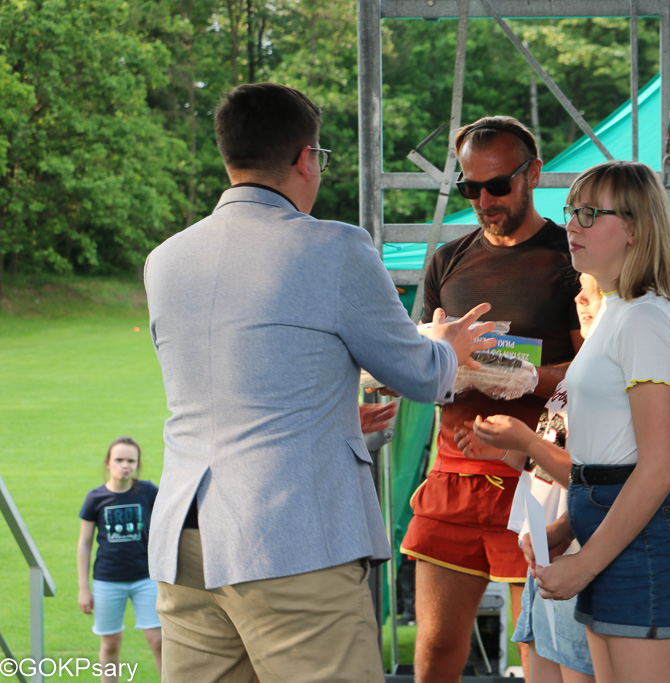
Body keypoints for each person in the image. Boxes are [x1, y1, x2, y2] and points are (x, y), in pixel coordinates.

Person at [143, 82, 494, 683]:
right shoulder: (335, 247)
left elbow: (233, 382)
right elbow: (419, 373)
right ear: (306, 158)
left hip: (185, 537)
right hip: (289, 538)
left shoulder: (166, 258)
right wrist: (448, 344)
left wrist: (329, 413)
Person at [399, 115, 582, 682]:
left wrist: (518, 376)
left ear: (534, 174)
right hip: (453, 475)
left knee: (540, 649)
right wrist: (449, 373)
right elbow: (422, 365)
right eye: (469, 187)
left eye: (497, 185)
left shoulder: (571, 256)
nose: (483, 201)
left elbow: (596, 375)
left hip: (535, 480)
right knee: (434, 648)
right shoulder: (448, 259)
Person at [528, 160, 670, 683]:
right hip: (612, 531)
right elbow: (610, 451)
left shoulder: (643, 318)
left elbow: (657, 467)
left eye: (588, 213)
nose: (571, 225)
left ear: (634, 229)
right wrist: (566, 528)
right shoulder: (619, 312)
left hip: (638, 542)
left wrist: (584, 563)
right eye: (570, 211)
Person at [456, 273, 605, 683]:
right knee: (540, 660)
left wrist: (526, 440)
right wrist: (504, 451)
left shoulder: (610, 380)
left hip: (579, 553)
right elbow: (554, 457)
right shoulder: (580, 374)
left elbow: (597, 480)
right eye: (580, 292)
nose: (580, 301)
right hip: (544, 550)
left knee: (576, 666)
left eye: (595, 293)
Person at [77, 436, 162, 682]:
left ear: (138, 465)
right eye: (119, 460)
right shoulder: (95, 498)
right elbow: (84, 544)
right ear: (107, 463)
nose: (125, 465)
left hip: (146, 578)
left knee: (158, 640)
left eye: (131, 461)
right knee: (111, 642)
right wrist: (84, 588)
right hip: (108, 580)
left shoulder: (148, 492)